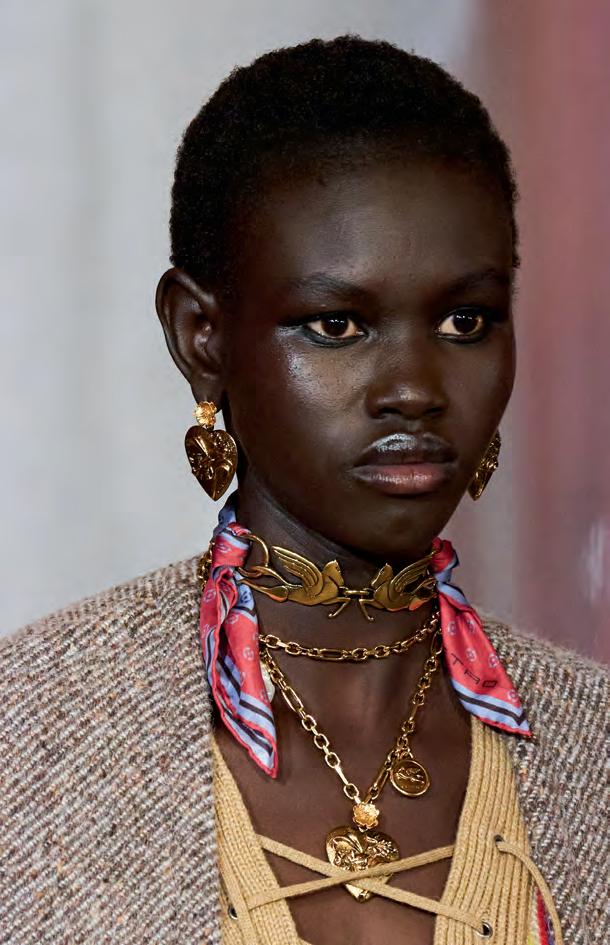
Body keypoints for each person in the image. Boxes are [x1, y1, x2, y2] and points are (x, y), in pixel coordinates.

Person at [1, 34, 607, 945]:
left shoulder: (593, 748)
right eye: (336, 325)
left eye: (464, 319)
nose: (415, 387)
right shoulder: (31, 739)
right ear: (200, 335)